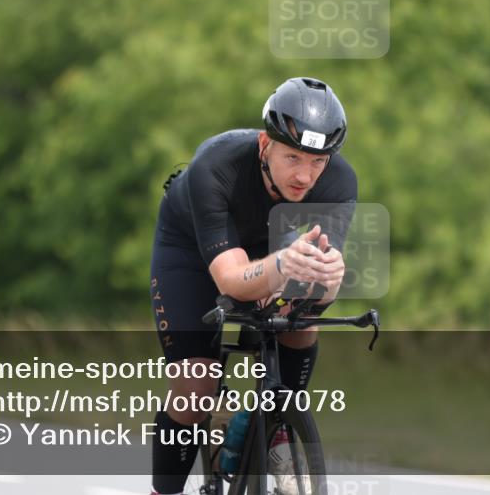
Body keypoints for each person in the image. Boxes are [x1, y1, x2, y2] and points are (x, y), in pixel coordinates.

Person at [148, 77, 357, 495]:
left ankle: (278, 424)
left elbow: (321, 290)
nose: (305, 175)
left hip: (270, 245)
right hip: (191, 250)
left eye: (318, 161)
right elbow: (230, 279)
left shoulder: (339, 182)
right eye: (293, 157)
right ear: (265, 144)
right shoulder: (217, 163)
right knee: (195, 391)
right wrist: (281, 265)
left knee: (301, 317)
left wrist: (328, 281)